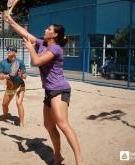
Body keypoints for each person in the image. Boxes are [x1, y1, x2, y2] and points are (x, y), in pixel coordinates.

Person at [5, 15, 83, 165]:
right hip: (49, 91)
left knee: (63, 124)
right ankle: (58, 156)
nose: (45, 30)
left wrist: (29, 48)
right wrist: (11, 21)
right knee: (48, 125)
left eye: (49, 29)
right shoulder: (42, 43)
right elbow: (24, 33)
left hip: (60, 90)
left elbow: (37, 61)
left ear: (55, 34)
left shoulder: (55, 48)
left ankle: (79, 160)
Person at [0, 45, 27, 127]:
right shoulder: (3, 62)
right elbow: (0, 77)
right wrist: (4, 76)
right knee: (4, 104)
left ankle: (21, 123)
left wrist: (21, 75)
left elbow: (25, 76)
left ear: (15, 52)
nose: (8, 51)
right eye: (7, 49)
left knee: (18, 103)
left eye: (10, 50)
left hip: (19, 85)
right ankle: (5, 115)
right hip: (10, 86)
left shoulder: (20, 62)